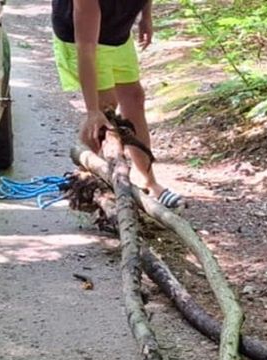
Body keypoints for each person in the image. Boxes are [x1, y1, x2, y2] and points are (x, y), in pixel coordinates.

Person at [52, 0, 183, 208]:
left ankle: (149, 182)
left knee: (134, 97)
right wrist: (92, 110)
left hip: (117, 34)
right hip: (79, 37)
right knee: (104, 108)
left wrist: (146, 17)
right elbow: (86, 48)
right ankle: (81, 182)